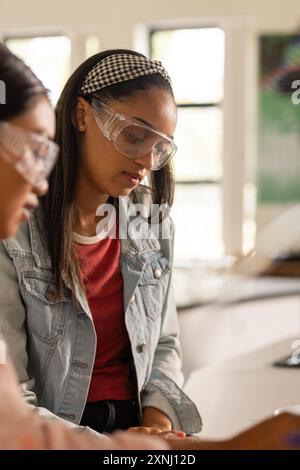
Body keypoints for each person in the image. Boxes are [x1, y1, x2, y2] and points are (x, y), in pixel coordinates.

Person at [0, 44, 300, 450]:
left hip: (134, 430)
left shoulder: (148, 219)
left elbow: (163, 344)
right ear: (82, 115)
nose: (145, 160)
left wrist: (156, 427)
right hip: (65, 432)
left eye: (160, 147)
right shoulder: (14, 228)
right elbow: (16, 414)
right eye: (135, 136)